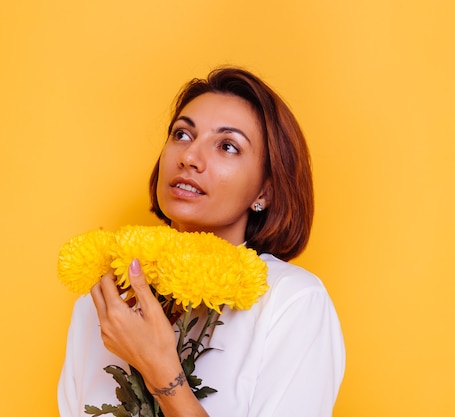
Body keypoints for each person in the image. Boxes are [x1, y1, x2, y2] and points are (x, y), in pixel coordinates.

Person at [58, 67, 345, 417]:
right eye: (181, 134)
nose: (189, 157)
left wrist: (161, 373)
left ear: (265, 191)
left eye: (227, 146)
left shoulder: (290, 302)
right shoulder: (103, 303)